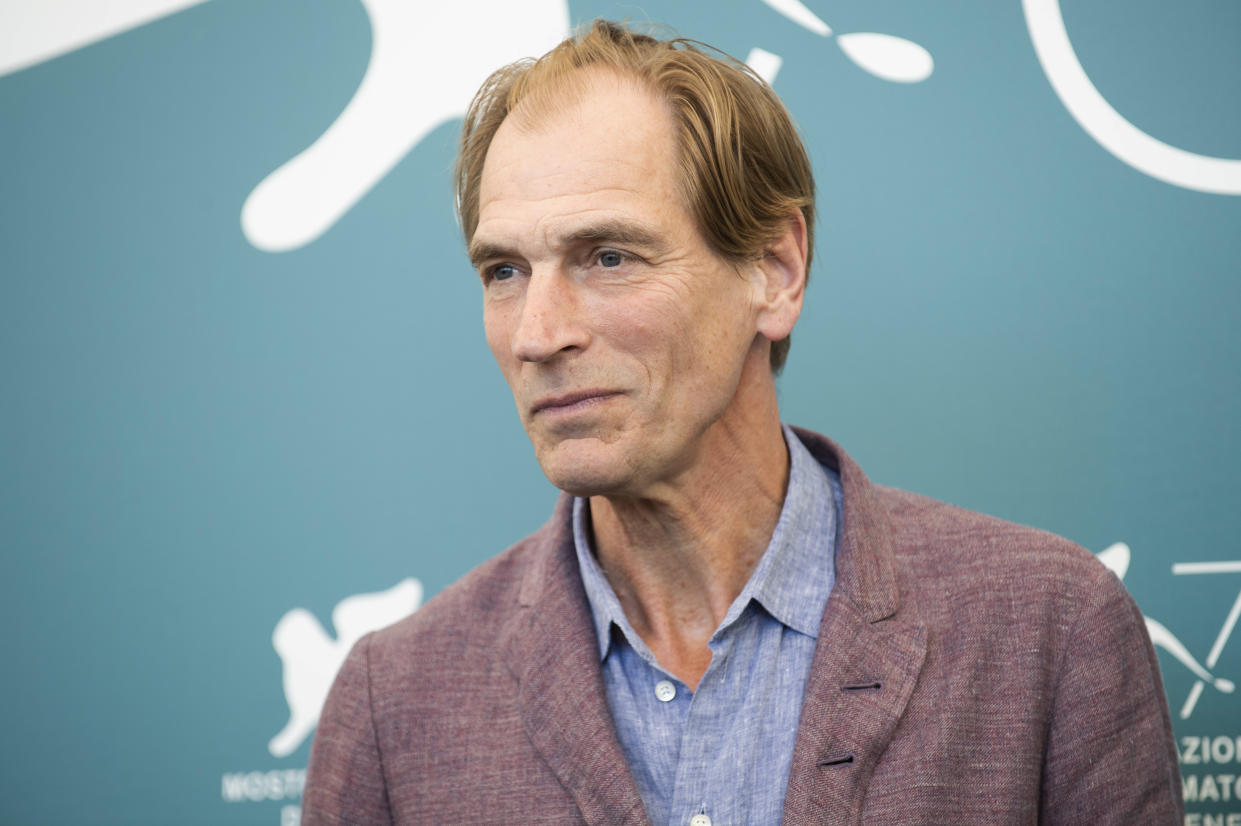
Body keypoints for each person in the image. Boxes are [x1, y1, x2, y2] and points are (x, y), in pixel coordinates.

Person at [302, 20, 1182, 825]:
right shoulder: (396, 705)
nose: (537, 334)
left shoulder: (1046, 632)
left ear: (774, 271)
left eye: (607, 256)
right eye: (503, 271)